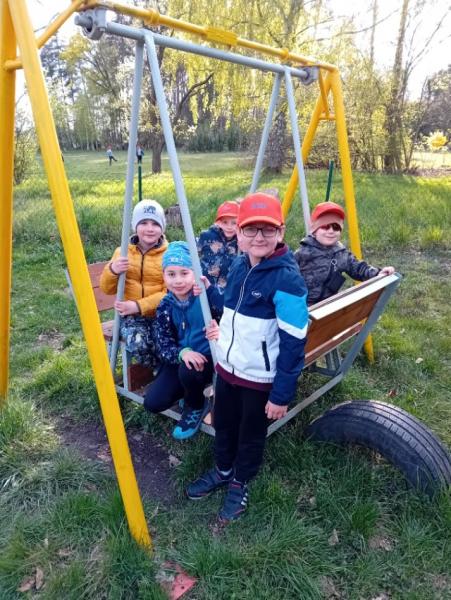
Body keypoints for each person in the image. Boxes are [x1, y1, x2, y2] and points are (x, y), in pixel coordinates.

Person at [187, 192, 308, 522]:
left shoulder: (288, 280)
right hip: (227, 370)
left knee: (250, 433)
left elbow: (294, 343)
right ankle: (223, 470)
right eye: (250, 229)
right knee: (224, 423)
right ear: (238, 234)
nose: (258, 237)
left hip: (258, 378)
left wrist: (281, 395)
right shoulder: (240, 264)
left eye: (267, 229)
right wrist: (209, 290)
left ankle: (240, 481)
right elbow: (232, 307)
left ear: (281, 232)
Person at [144, 241, 221, 440]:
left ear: (195, 274)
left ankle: (195, 406)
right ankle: (191, 390)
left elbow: (227, 313)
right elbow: (163, 343)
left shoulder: (205, 297)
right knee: (153, 403)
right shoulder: (166, 305)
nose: (178, 280)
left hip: (210, 360)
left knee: (190, 371)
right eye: (171, 274)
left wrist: (210, 291)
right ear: (164, 276)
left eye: (184, 273)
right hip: (181, 358)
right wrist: (182, 352)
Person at [100, 199, 168, 368]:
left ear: (162, 228)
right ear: (134, 226)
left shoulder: (168, 254)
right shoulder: (122, 252)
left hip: (161, 313)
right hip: (131, 317)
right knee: (139, 342)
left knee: (166, 341)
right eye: (143, 223)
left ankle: (166, 373)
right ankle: (157, 371)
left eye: (155, 224)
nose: (150, 228)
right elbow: (106, 288)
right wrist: (113, 270)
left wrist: (138, 305)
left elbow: (169, 293)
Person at [294, 201, 395, 306]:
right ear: (315, 230)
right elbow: (287, 280)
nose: (331, 231)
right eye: (325, 226)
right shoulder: (302, 254)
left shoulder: (341, 254)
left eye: (336, 227)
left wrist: (378, 273)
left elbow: (359, 268)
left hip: (328, 306)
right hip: (303, 307)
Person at [197, 200, 240, 287]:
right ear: (218, 222)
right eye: (225, 222)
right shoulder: (207, 236)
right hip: (205, 283)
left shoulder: (240, 241)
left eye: (234, 223)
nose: (229, 227)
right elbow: (192, 252)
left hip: (227, 286)